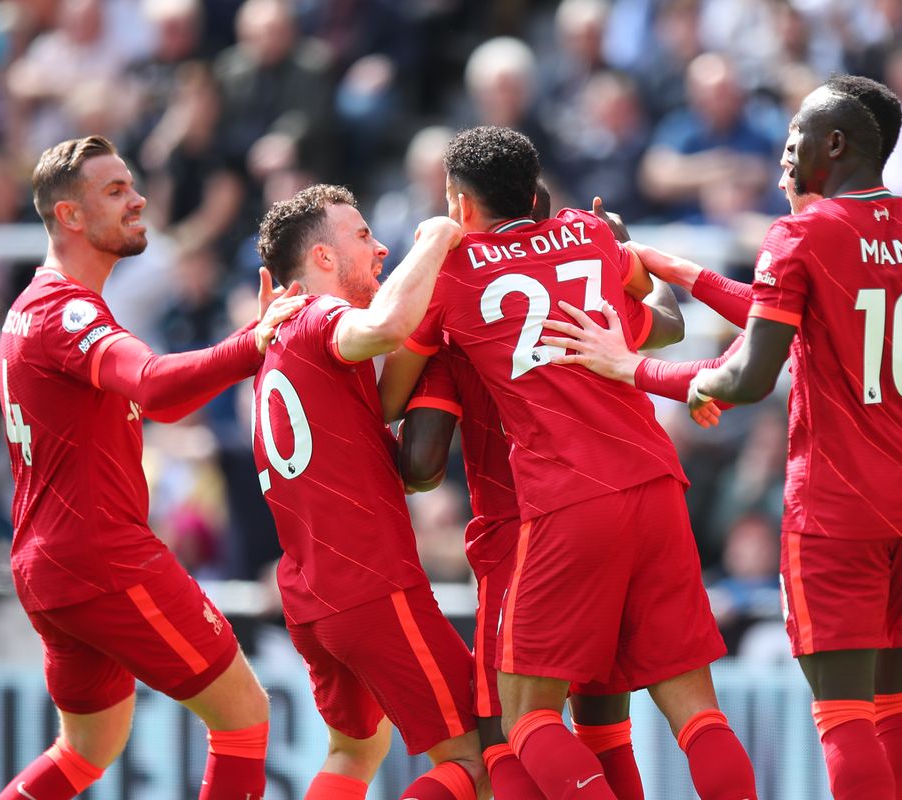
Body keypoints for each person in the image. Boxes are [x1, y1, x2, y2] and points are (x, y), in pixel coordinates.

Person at [541, 78, 902, 800]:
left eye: (794, 139)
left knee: (845, 717)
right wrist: (675, 268)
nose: (783, 155)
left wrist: (634, 368)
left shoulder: (802, 234)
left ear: (835, 144)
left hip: (838, 508)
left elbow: (748, 378)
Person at [380, 126, 757, 800]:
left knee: (522, 724)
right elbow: (661, 319)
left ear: (459, 206)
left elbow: (399, 416)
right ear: (536, 193)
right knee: (696, 714)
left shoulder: (453, 276)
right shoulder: (590, 233)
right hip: (657, 481)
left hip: (557, 508)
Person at [0, 135, 306, 800]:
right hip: (102, 559)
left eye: (132, 185)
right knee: (244, 716)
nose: (138, 201)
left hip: (48, 565)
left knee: (87, 748)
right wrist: (254, 343)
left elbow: (156, 406)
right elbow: (157, 387)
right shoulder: (66, 310)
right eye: (115, 191)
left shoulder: (30, 309)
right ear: (70, 216)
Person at [398, 184, 682, 800]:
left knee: (507, 738)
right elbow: (667, 326)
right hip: (617, 513)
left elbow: (420, 463)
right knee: (607, 732)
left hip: (522, 539)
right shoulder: (593, 302)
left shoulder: (458, 327)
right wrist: (628, 256)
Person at [250, 184, 485, 800]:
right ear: (324, 259)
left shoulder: (276, 341)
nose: (380, 248)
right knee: (481, 758)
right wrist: (436, 237)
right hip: (370, 588)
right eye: (361, 236)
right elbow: (387, 325)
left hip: (311, 596)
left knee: (356, 749)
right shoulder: (315, 318)